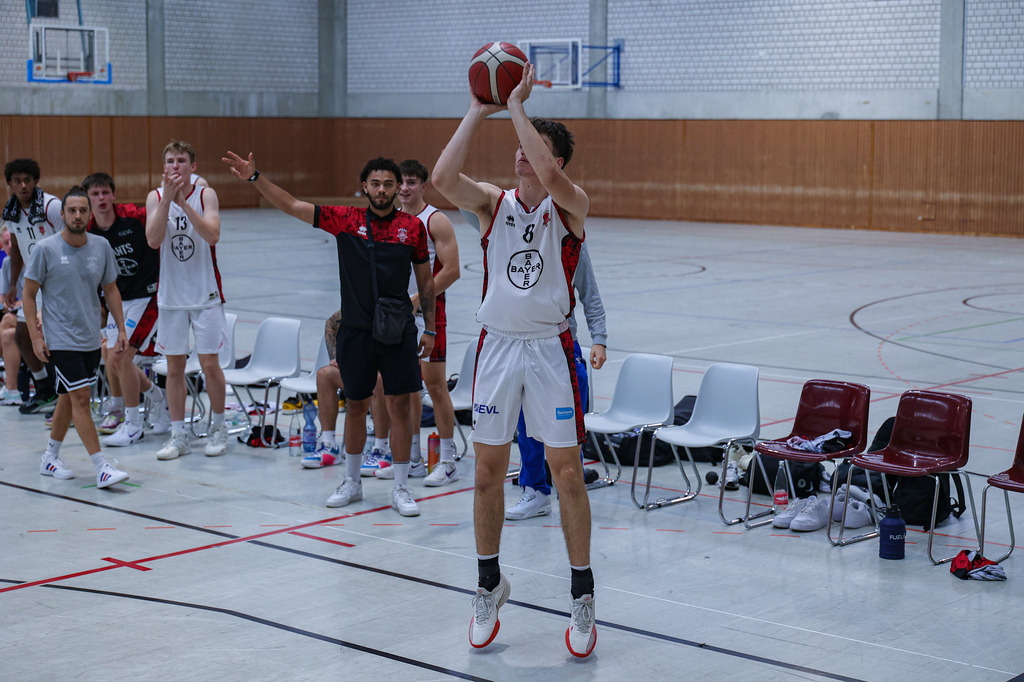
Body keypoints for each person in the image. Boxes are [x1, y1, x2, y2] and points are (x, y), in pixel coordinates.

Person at [432, 63, 597, 656]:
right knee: (484, 475)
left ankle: (582, 600)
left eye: (532, 146)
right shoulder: (492, 204)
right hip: (497, 347)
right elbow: (442, 177)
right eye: (521, 145)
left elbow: (550, 172)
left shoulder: (571, 204)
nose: (521, 154)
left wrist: (520, 106)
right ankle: (487, 584)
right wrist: (481, 107)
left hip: (550, 350)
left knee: (567, 474)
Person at [222, 151, 436, 517]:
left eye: (388, 183)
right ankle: (352, 482)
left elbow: (426, 282)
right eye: (375, 183)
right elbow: (290, 204)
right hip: (355, 332)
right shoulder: (346, 220)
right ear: (363, 187)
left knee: (399, 406)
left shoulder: (412, 228)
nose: (382, 189)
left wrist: (430, 327)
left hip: (398, 331)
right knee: (355, 404)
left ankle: (400, 487)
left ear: (398, 188)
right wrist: (255, 178)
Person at [25, 186, 130, 488]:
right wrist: (35, 337)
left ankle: (50, 456)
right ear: (63, 214)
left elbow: (110, 289)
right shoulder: (45, 249)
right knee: (81, 398)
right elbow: (29, 295)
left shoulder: (101, 247)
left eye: (83, 210)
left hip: (89, 339)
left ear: (89, 213)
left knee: (67, 400)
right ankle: (101, 467)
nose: (78, 215)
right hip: (60, 339)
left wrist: (120, 329)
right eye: (71, 210)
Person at [374, 159, 461, 487]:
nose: (405, 188)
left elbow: (451, 270)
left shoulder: (435, 220)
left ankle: (449, 460)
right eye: (401, 183)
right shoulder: (390, 221)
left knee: (435, 387)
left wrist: (415, 302)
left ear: (423, 186)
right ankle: (411, 458)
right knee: (402, 387)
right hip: (394, 317)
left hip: (427, 315)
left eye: (412, 182)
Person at [508, 245, 607, 518]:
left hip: (562, 347)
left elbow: (590, 292)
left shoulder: (571, 238)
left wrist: (599, 338)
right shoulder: (512, 231)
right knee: (527, 426)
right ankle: (535, 491)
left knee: (566, 429)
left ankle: (570, 490)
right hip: (520, 343)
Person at [146, 141, 229, 460]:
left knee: (210, 366)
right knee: (174, 368)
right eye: (170, 161)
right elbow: (153, 240)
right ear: (163, 167)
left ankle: (218, 427)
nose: (175, 166)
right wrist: (168, 200)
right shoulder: (155, 197)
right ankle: (178, 435)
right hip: (171, 298)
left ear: (193, 167)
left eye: (181, 161)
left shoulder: (205, 194)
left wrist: (184, 202)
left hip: (205, 295)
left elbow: (212, 235)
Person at [83, 173, 170, 446]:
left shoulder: (135, 216)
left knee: (121, 358)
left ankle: (133, 425)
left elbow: (162, 221)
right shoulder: (87, 231)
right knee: (112, 360)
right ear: (88, 199)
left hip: (148, 298)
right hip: (117, 304)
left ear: (113, 195)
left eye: (105, 192)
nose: (101, 198)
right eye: (95, 194)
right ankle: (158, 399)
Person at [2, 159, 62, 414]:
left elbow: (70, 238)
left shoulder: (52, 206)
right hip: (33, 283)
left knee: (57, 339)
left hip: (60, 283)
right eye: (17, 181)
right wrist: (14, 284)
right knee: (23, 335)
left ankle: (67, 395)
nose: (23, 185)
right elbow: (15, 248)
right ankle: (45, 389)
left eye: (27, 180)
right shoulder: (11, 212)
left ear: (36, 181)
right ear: (10, 184)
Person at [300, 309, 346, 468]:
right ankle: (329, 445)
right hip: (355, 370)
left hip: (380, 371)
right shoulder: (355, 302)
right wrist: (334, 357)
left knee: (379, 381)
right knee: (325, 375)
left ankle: (383, 448)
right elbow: (331, 324)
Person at [0, 225, 24, 405]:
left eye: (12, 242)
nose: (9, 246)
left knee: (7, 320)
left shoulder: (33, 260)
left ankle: (10, 387)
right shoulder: (7, 264)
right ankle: (12, 390)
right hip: (22, 315)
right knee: (7, 335)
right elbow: (2, 297)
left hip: (42, 312)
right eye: (5, 243)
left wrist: (14, 304)